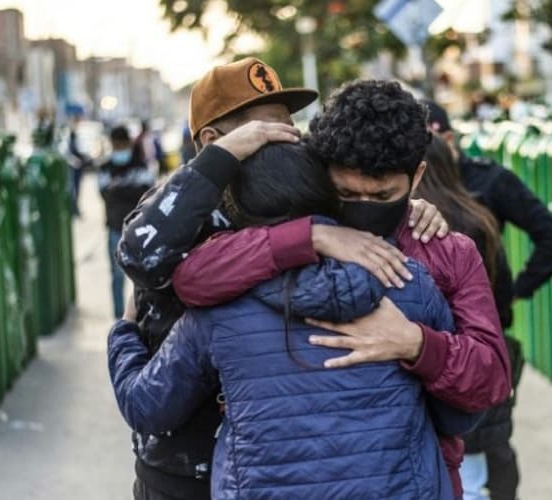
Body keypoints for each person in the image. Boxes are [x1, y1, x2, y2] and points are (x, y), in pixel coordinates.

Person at [113, 58, 448, 500]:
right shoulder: (178, 207)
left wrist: (411, 210)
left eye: (289, 125)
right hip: (183, 467)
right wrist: (298, 229)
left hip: (266, 462)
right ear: (215, 142)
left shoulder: (294, 189)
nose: (289, 138)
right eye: (264, 131)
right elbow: (142, 254)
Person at [164, 80, 513, 499]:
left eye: (383, 195)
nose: (364, 207)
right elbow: (192, 276)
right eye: (346, 193)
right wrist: (307, 238)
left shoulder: (447, 254)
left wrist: (417, 344)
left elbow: (491, 380)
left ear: (417, 176)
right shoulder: (288, 228)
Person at [423, 100, 552, 500]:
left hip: (470, 338)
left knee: (485, 449)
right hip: (443, 344)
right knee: (477, 452)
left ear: (447, 138)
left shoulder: (486, 186)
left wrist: (517, 290)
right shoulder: (407, 202)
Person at [415, 136, 518, 500]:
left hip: (433, 381)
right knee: (482, 470)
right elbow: (502, 292)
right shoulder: (476, 218)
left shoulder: (401, 234)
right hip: (476, 362)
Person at [98, 125, 155, 318]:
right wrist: (129, 188)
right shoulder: (105, 166)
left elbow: (146, 193)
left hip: (139, 229)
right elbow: (106, 194)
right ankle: (119, 318)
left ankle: (141, 316)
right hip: (115, 227)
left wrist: (118, 189)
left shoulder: (140, 164)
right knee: (116, 276)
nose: (119, 149)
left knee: (142, 277)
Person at [67, 111, 91, 216]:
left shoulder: (77, 134)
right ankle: (73, 209)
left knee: (77, 188)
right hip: (72, 167)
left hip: (78, 166)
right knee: (73, 188)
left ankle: (75, 208)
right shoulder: (69, 134)